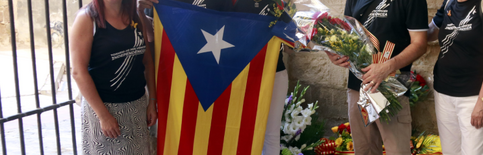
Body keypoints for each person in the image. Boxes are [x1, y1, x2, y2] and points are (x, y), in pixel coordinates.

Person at [136, 0, 292, 154]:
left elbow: (293, 41)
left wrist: (285, 30)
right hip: (235, 76)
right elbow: (154, 37)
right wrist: (141, 12)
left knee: (268, 135)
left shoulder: (272, 3)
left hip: (266, 74)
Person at [325, 0, 428, 154]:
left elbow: (420, 44)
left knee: (397, 149)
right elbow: (346, 34)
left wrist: (388, 67)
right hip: (358, 87)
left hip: (393, 86)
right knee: (364, 149)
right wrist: (333, 52)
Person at [70, 0, 157, 154]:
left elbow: (147, 62)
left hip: (137, 107)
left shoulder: (135, 16)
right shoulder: (87, 18)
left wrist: (151, 101)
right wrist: (103, 116)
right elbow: (78, 72)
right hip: (105, 109)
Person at [426, 0, 483, 154]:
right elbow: (429, 34)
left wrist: (482, 102)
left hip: (474, 96)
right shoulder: (449, 3)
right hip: (444, 92)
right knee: (450, 152)